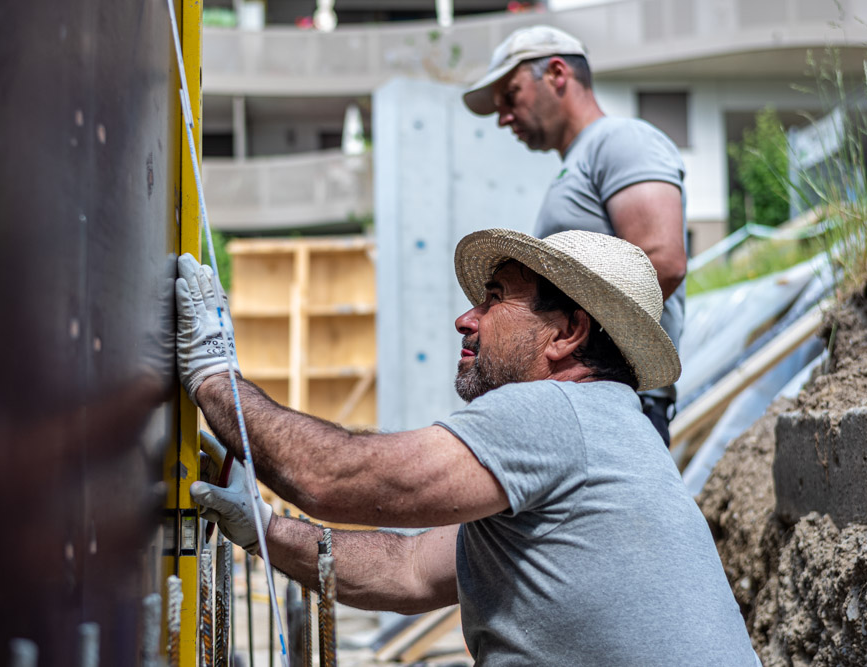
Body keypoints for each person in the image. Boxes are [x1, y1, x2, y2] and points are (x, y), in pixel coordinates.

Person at [175, 229, 760, 666]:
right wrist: (263, 530)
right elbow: (405, 572)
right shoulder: (607, 430)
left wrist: (212, 377)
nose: (465, 318)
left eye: (494, 298)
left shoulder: (557, 413)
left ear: (566, 333)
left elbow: (338, 479)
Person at [463, 25, 688, 446]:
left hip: (613, 401)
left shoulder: (621, 141)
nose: (503, 117)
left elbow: (664, 260)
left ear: (557, 74)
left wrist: (553, 345)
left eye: (510, 96)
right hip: (583, 398)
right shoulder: (579, 162)